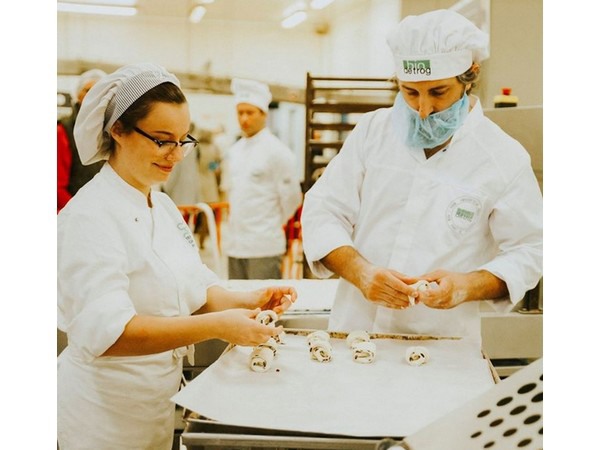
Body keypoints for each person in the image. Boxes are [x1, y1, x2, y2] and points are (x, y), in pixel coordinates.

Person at [57, 63, 297, 450]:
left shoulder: (162, 205)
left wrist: (245, 301)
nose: (176, 155)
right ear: (117, 130)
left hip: (154, 403)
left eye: (183, 141)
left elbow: (193, 286)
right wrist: (219, 326)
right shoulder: (90, 216)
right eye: (162, 140)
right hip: (103, 414)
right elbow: (108, 334)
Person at [301, 9, 543, 339]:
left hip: (441, 345)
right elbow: (323, 210)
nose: (423, 110)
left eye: (438, 92)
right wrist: (360, 272)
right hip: (355, 334)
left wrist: (467, 285)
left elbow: (531, 249)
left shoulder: (503, 157)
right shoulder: (373, 132)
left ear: (471, 74)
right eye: (410, 92)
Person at [222, 78, 302, 279]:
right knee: (236, 297)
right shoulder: (235, 151)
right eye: (240, 113)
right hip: (235, 246)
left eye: (250, 113)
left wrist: (269, 223)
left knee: (263, 299)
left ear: (264, 114)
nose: (244, 119)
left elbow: (292, 199)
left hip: (264, 246)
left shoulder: (278, 152)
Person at [57, 68, 106, 212]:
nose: (93, 95)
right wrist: (77, 212)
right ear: (77, 96)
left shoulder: (113, 130)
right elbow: (57, 186)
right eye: (88, 90)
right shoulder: (62, 131)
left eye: (99, 90)